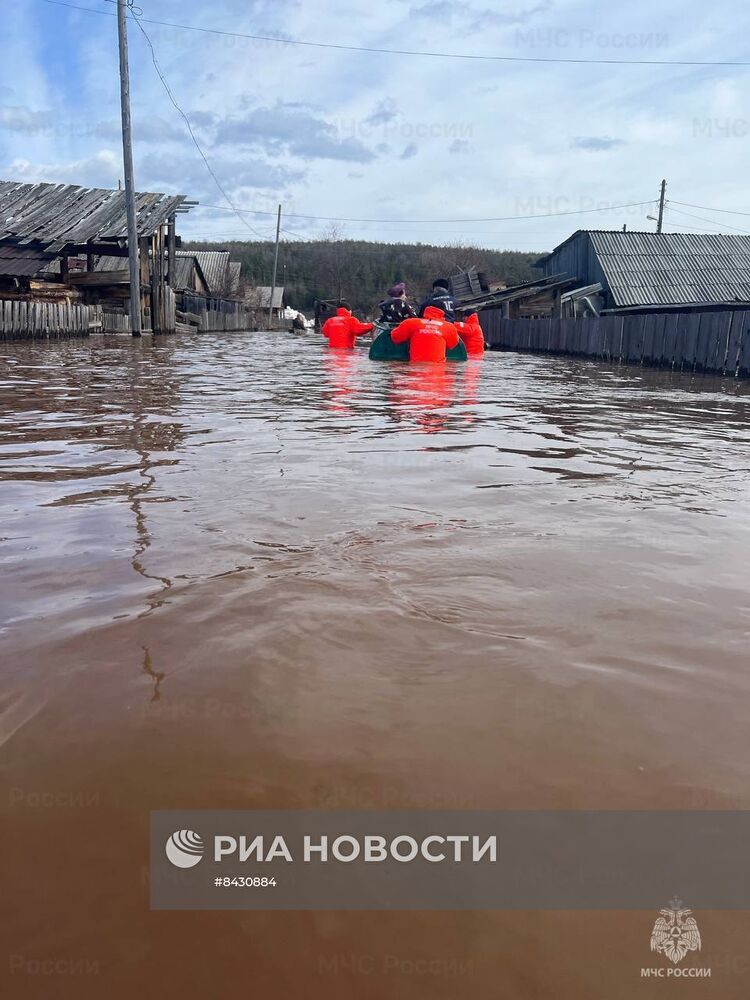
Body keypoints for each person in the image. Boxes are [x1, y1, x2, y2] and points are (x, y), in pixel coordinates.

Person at [391, 305, 459, 362]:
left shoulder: (410, 323)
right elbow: (453, 345)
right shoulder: (449, 327)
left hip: (415, 370)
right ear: (443, 312)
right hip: (438, 371)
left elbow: (395, 337)